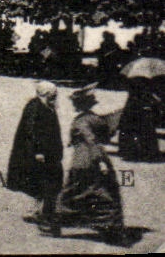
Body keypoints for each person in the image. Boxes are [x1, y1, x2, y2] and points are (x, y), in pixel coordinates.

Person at [54, 85, 125, 242]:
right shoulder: (94, 118)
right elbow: (104, 133)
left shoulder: (81, 121)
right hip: (93, 160)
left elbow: (91, 140)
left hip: (83, 162)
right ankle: (107, 225)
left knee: (75, 192)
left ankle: (55, 218)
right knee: (101, 194)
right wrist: (102, 160)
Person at [7, 81, 63, 236]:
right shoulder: (35, 107)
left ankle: (36, 211)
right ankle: (44, 217)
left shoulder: (46, 106)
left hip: (48, 153)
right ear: (45, 95)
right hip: (39, 154)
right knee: (48, 182)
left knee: (44, 183)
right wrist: (38, 151)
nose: (55, 98)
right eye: (52, 95)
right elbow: (31, 131)